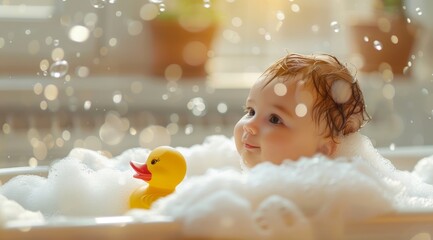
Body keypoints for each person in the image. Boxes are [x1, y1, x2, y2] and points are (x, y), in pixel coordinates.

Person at [233, 53, 370, 168]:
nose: (249, 125)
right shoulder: (232, 176)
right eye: (251, 111)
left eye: (274, 119)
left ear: (322, 150)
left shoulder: (314, 196)